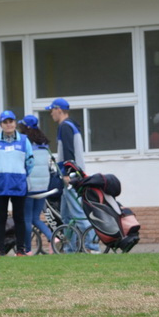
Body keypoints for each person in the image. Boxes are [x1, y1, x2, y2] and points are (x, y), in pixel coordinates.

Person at [47, 98, 99, 253]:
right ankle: (70, 247)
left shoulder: (65, 127)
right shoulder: (70, 126)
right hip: (70, 175)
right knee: (66, 215)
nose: (51, 113)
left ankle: (92, 246)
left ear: (59, 110)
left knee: (78, 213)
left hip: (71, 177)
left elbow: (69, 152)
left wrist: (69, 174)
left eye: (52, 110)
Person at [0, 110, 34, 256]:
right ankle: (0, 250)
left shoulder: (24, 140)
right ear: (1, 124)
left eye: (11, 121)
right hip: (0, 184)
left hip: (18, 184)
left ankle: (20, 249)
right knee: (1, 218)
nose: (8, 125)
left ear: (15, 123)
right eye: (5, 122)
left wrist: (21, 174)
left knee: (19, 218)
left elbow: (30, 162)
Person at [18, 115, 54, 253]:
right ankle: (53, 237)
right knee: (35, 217)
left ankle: (27, 250)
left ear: (25, 127)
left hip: (30, 185)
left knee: (27, 218)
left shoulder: (23, 142)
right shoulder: (44, 142)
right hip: (44, 185)